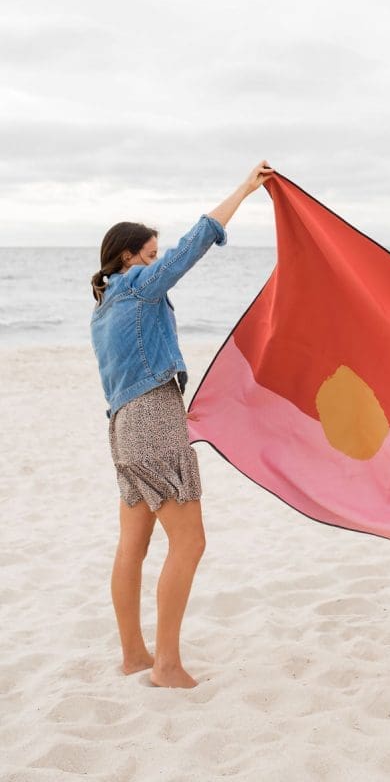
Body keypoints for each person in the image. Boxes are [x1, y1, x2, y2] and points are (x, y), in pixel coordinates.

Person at [89, 159, 276, 688]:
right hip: (152, 420)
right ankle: (166, 665)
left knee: (133, 546)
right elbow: (194, 244)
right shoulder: (136, 288)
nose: (154, 262)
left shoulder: (102, 310)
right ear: (129, 259)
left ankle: (134, 656)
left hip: (122, 428)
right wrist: (244, 189)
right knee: (190, 543)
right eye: (148, 254)